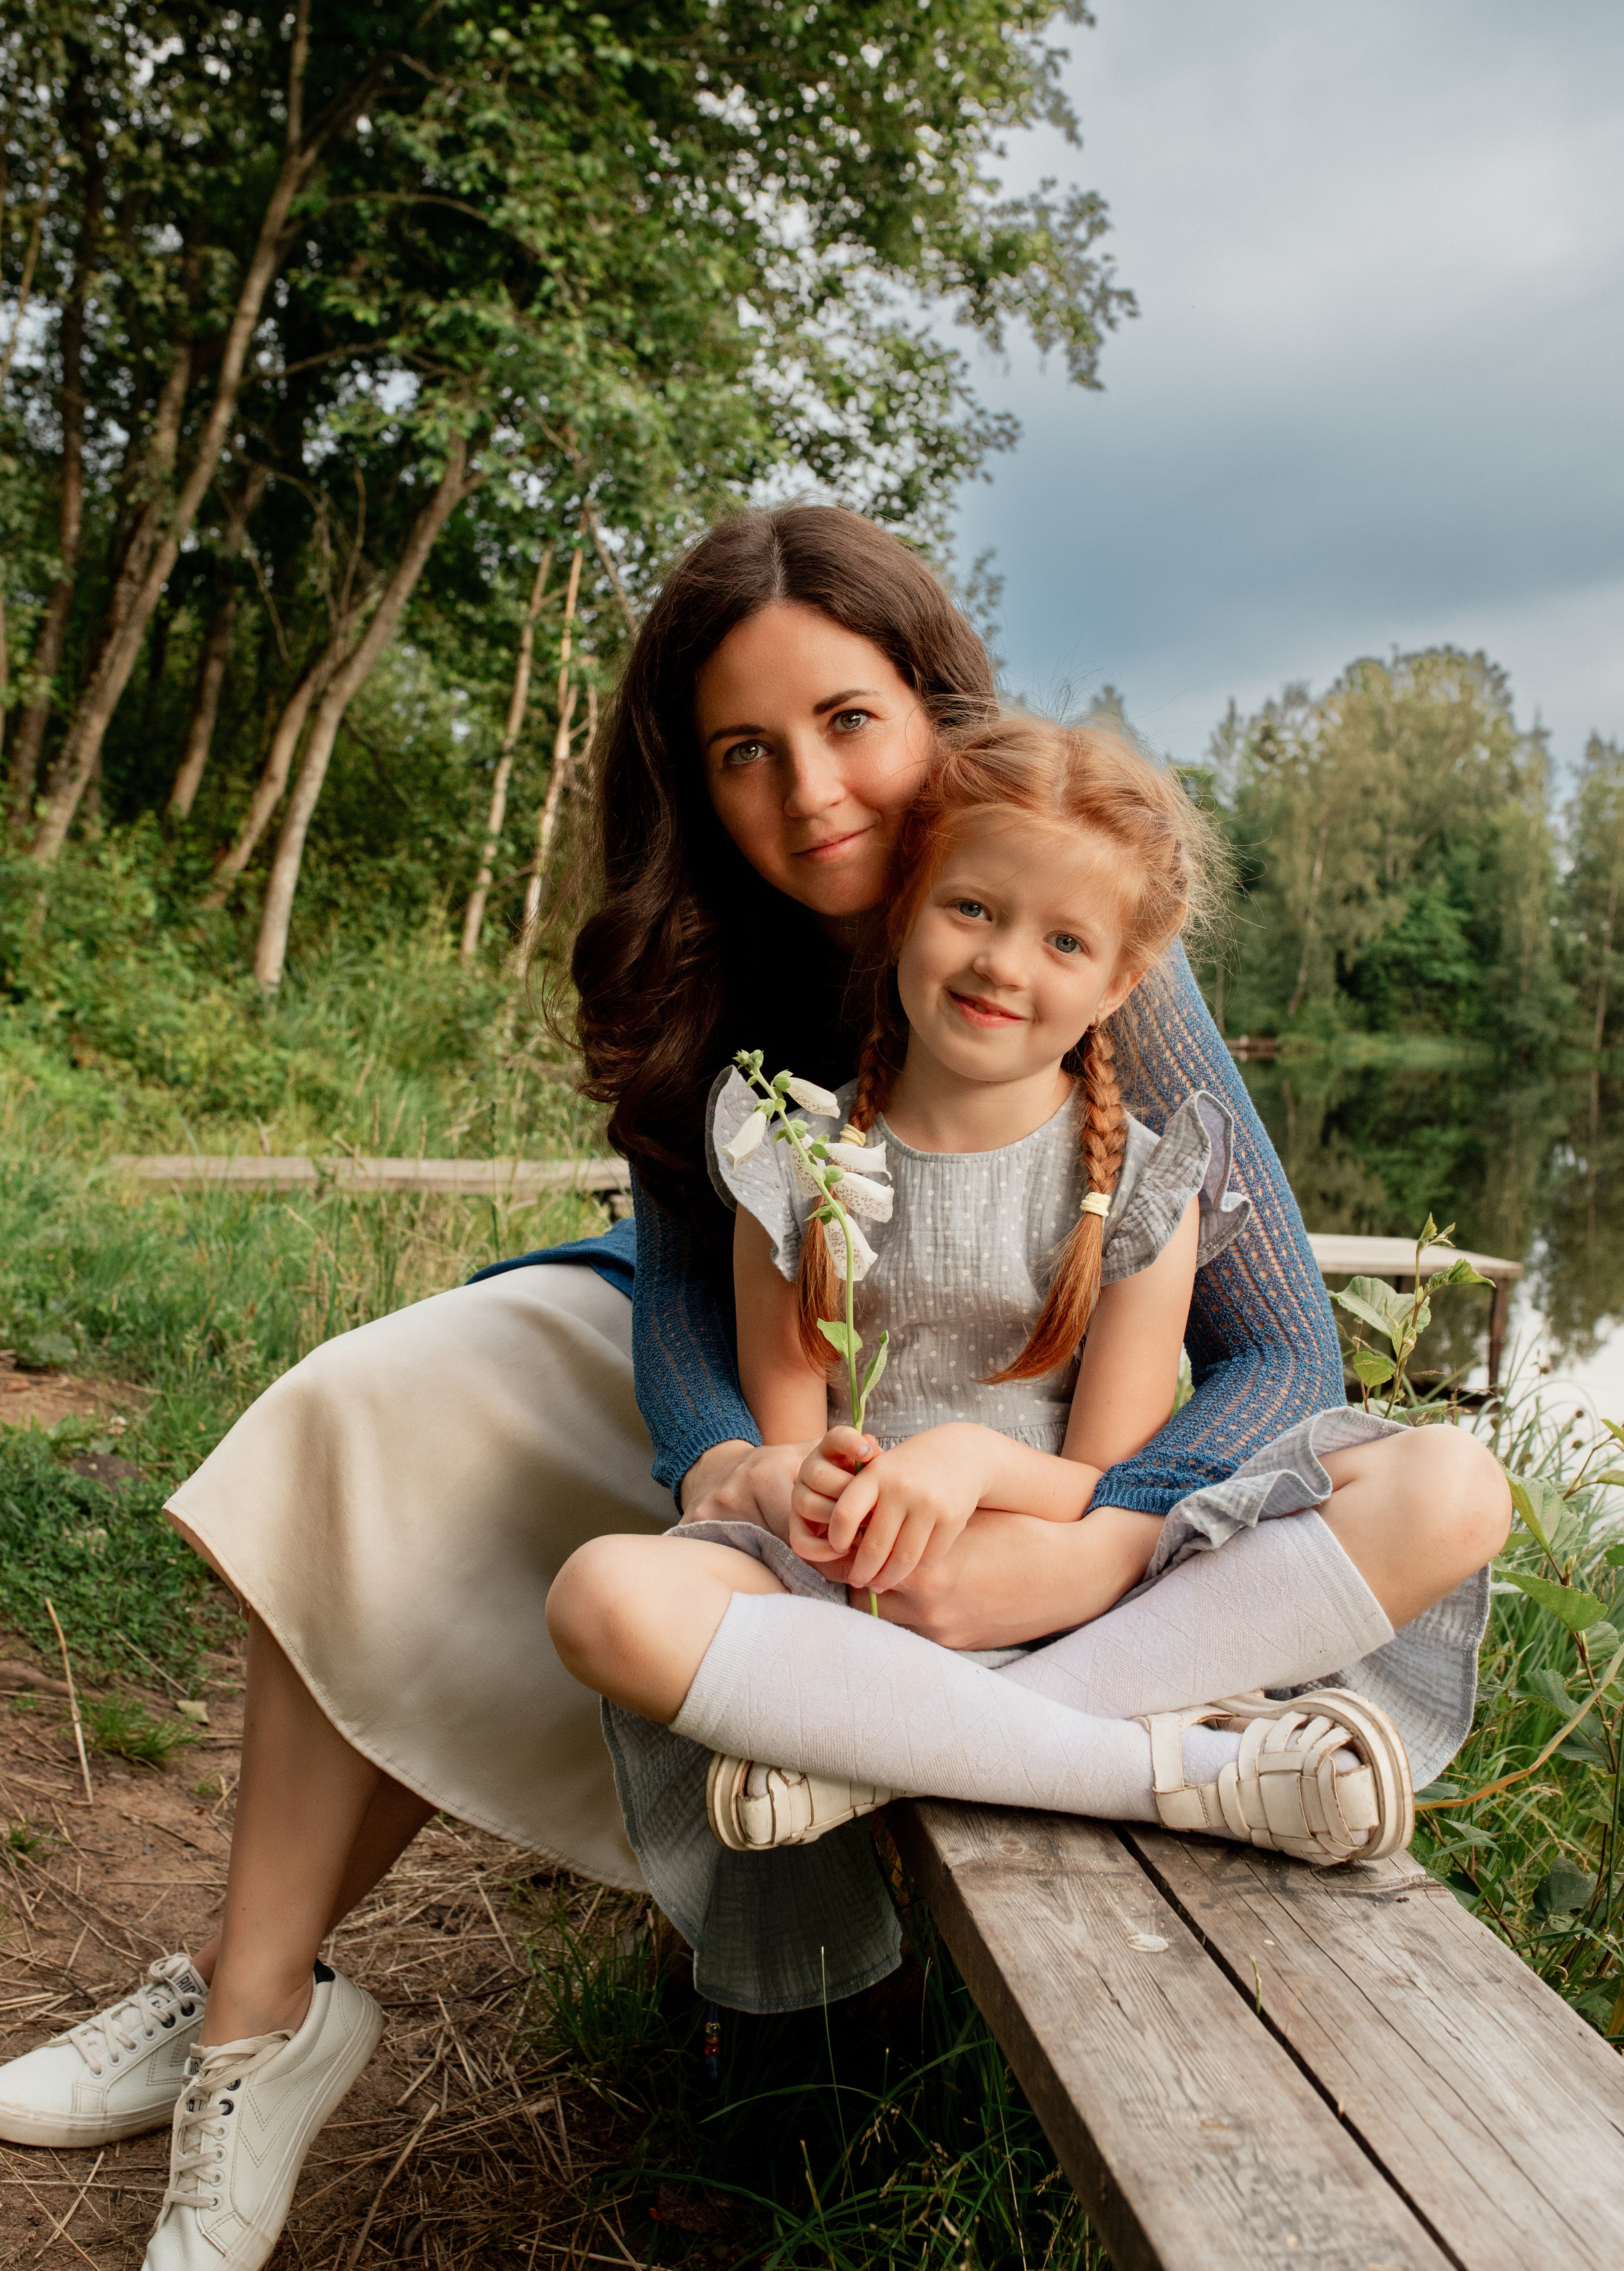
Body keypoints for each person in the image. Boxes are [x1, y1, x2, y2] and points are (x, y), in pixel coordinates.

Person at [0, 507, 1509, 2268]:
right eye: (747, 753)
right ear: (697, 783)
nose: (812, 792)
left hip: (1047, 1487)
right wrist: (730, 1468)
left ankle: (943, 1745)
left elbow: (1290, 1352)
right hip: (775, 1412)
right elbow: (681, 1315)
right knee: (365, 1414)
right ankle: (253, 2017)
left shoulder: (1064, 921)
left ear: (933, 708)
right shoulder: (708, 963)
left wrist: (1100, 1537)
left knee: (1406, 1488)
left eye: (850, 721)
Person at [550, 713, 1487, 2014]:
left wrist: (971, 1458)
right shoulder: (795, 1154)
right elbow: (782, 1447)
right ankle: (1146, 1767)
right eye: (971, 909)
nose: (1002, 963)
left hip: (1079, 1602)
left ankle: (873, 1758)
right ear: (901, 911)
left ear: (1120, 982)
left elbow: (1105, 1477)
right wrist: (818, 1491)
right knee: (602, 1598)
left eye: (1062, 941)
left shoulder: (1143, 1183)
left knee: (1451, 1486)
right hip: (850, 1608)